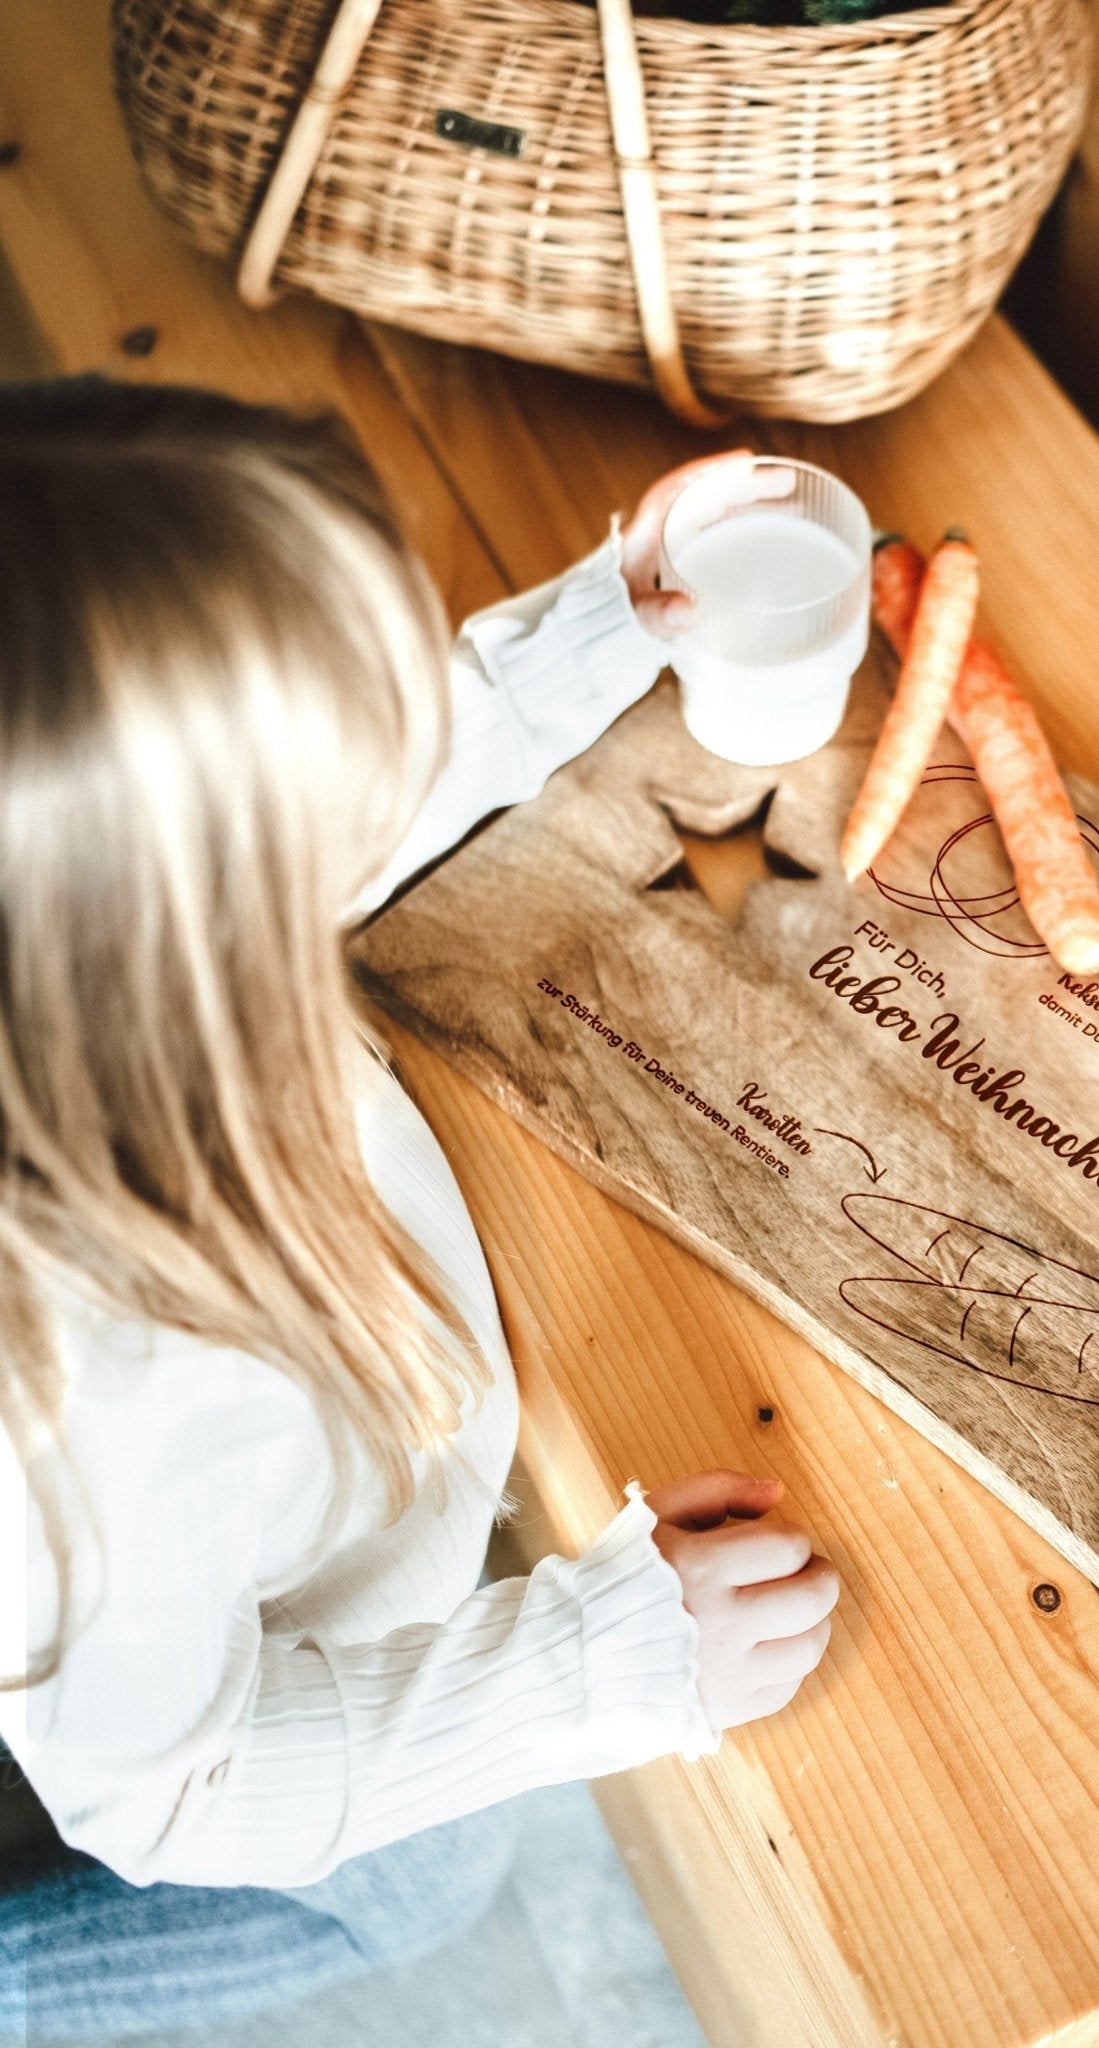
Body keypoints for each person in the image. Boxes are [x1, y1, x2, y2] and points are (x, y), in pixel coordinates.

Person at [0, 379, 842, 2036]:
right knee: (425, 1882)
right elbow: (167, 1792)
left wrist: (604, 622)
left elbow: (334, 802)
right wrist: (603, 1668)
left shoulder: (83, 955)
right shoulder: (88, 1408)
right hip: (153, 1680)